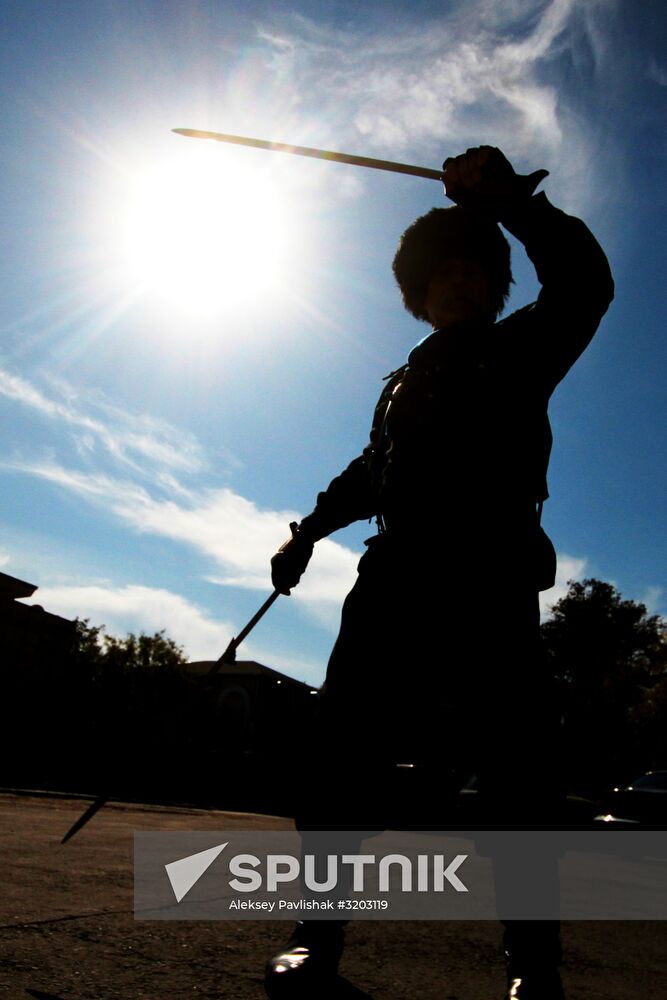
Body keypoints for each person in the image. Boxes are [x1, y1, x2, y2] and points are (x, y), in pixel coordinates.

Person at [264, 146, 614, 999]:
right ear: (416, 292)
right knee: (342, 757)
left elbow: (583, 286)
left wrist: (509, 208)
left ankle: (533, 966)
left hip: (490, 575)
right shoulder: (398, 383)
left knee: (516, 773)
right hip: (392, 579)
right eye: (441, 271)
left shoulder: (523, 349)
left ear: (496, 286)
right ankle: (319, 935)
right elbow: (369, 470)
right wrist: (308, 531)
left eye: (474, 269)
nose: (458, 279)